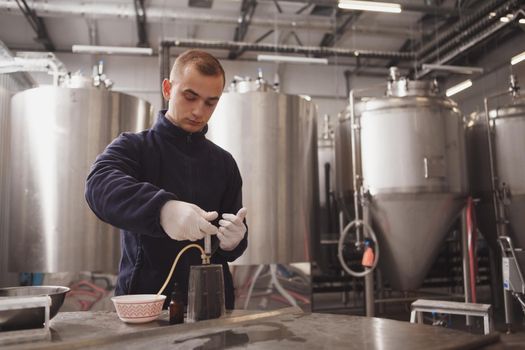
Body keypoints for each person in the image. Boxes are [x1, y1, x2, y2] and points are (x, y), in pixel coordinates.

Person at [85, 49, 248, 310]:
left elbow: (230, 236)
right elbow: (99, 185)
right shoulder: (134, 147)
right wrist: (163, 210)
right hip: (146, 302)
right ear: (168, 89)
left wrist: (234, 241)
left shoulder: (224, 163)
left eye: (210, 102)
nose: (198, 111)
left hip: (212, 304)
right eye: (190, 96)